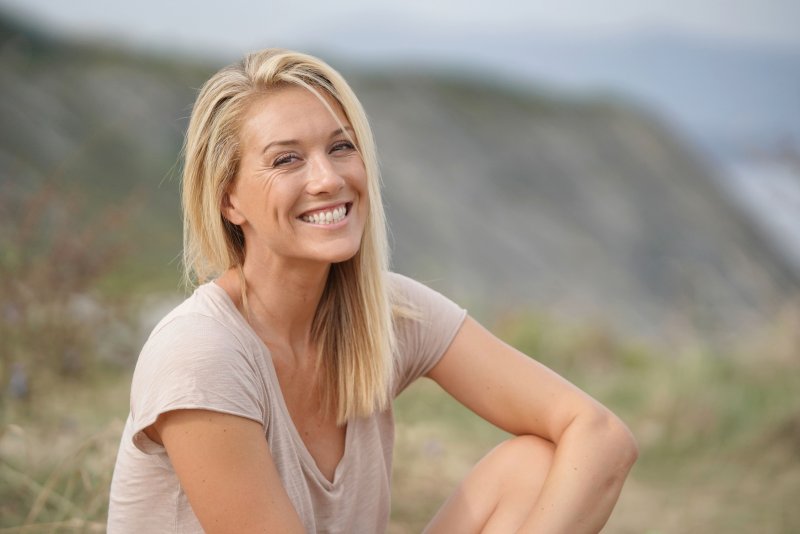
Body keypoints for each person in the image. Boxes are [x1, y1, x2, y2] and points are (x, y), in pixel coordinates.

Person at [108, 48, 637, 533]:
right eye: (286, 159)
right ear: (229, 201)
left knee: (536, 469)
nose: (328, 179)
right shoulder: (200, 354)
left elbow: (600, 435)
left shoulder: (387, 312)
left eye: (341, 147)